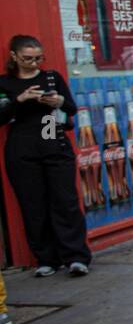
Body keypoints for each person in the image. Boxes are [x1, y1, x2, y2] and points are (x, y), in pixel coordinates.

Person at [0, 35, 92, 276]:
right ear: (14, 57)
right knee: (33, 206)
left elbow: (71, 108)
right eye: (27, 58)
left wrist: (59, 100)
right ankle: (46, 259)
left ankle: (75, 256)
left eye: (38, 58)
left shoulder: (51, 77)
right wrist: (19, 100)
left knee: (65, 202)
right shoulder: (5, 84)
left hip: (51, 135)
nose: (33, 63)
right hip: (22, 145)